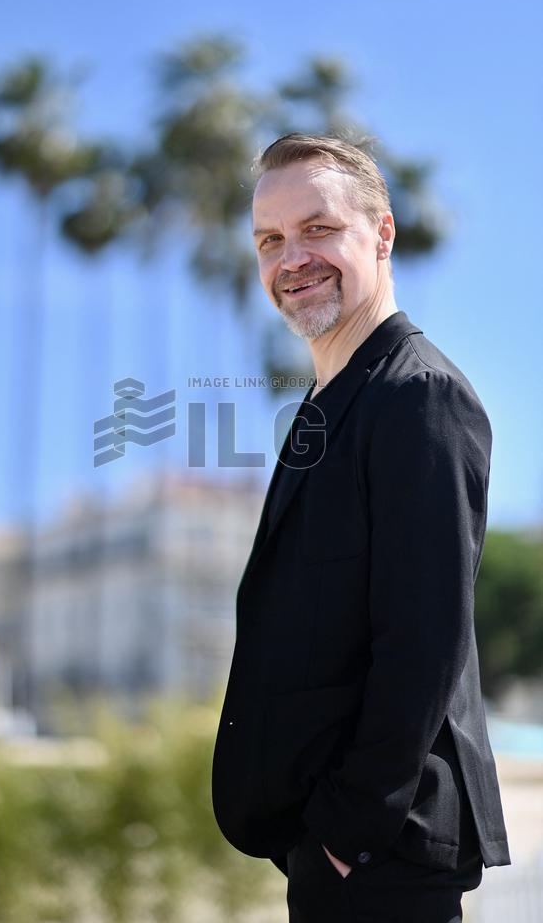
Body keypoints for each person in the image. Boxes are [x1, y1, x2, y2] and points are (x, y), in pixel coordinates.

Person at [211, 134, 511, 922]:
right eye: (270, 240)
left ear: (381, 234)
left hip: (382, 852)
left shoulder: (421, 397)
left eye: (318, 229)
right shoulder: (328, 407)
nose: (292, 258)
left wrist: (348, 834)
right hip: (343, 850)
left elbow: (424, 640)